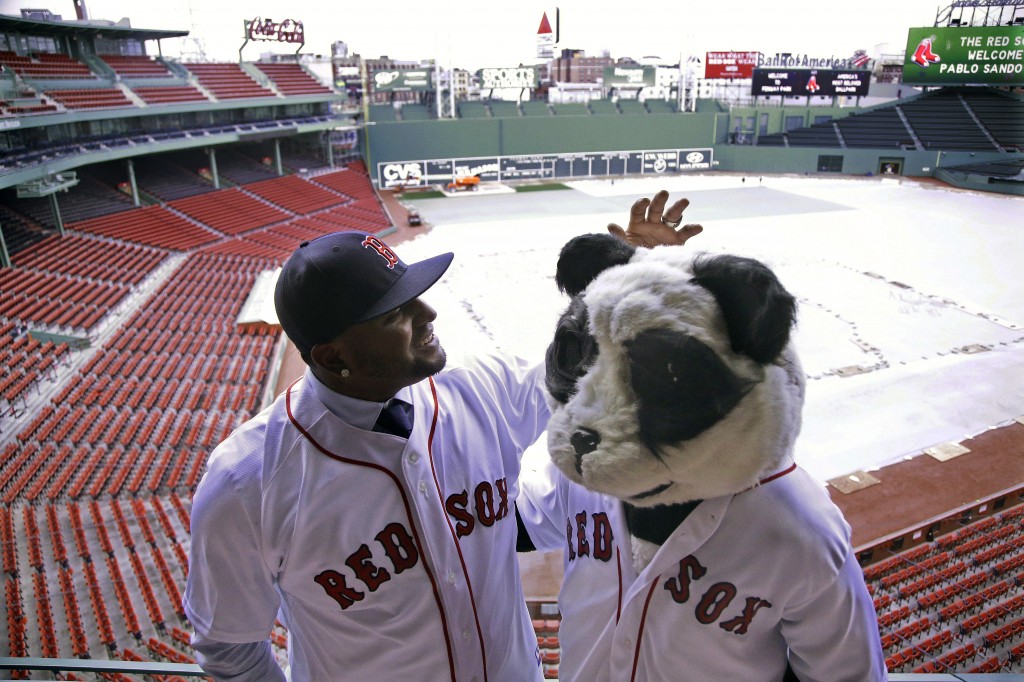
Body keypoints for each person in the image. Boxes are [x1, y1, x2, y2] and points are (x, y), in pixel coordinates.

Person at [183, 191, 701, 681]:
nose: (427, 313)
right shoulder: (247, 482)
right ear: (333, 356)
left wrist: (636, 280)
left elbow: (586, 365)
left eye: (416, 296)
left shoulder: (483, 386)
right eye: (395, 314)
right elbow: (229, 647)